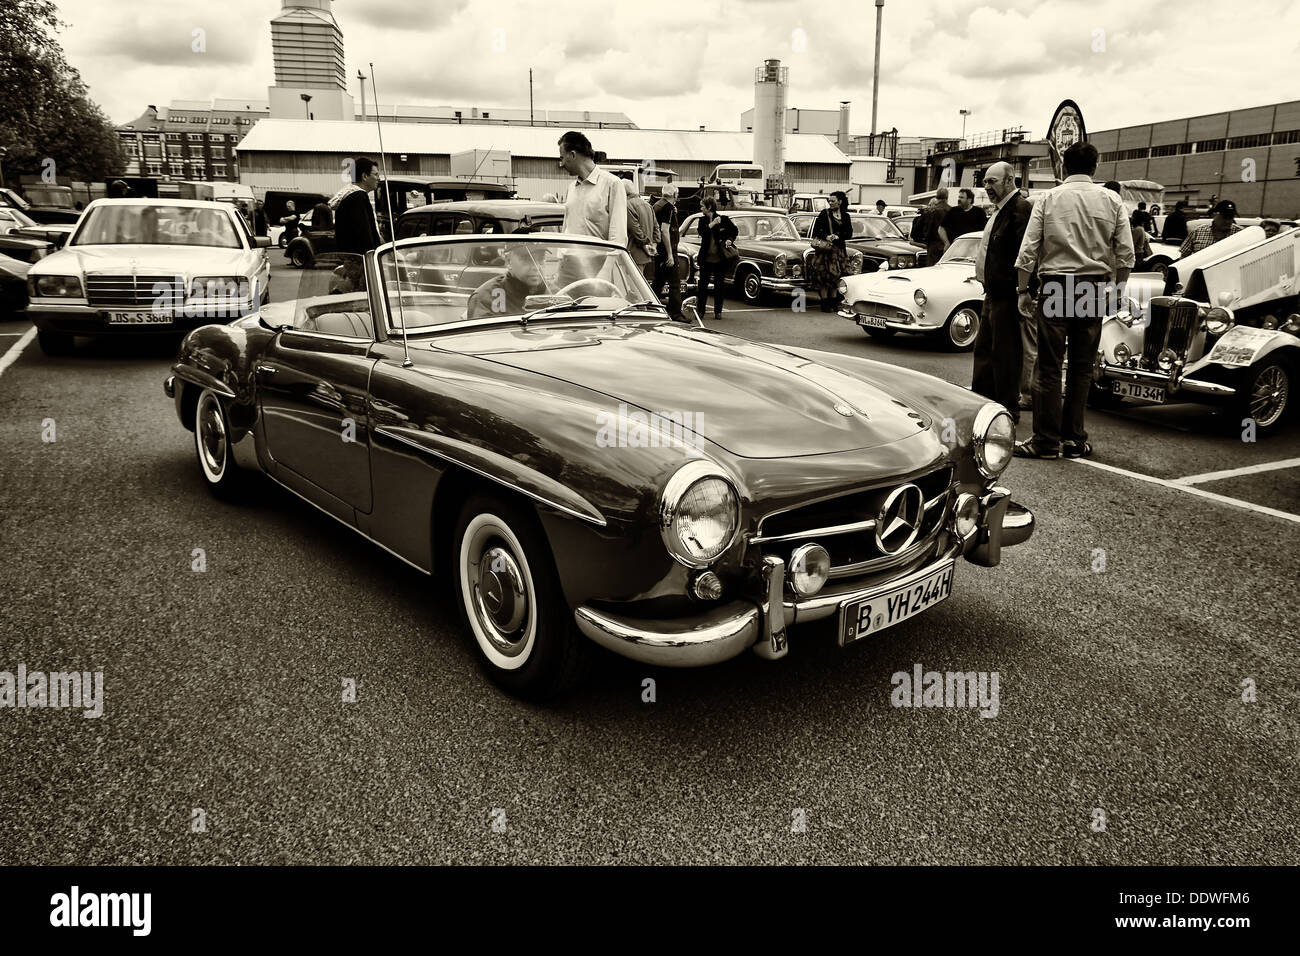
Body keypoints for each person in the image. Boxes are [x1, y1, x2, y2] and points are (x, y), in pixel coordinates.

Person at [1014, 141, 1134, 460]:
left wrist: (1023, 290)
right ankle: (1074, 438)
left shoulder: (1049, 198)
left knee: (1049, 366)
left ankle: (1046, 440)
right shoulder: (1111, 200)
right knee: (1082, 369)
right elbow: (1126, 254)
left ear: (1065, 166)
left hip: (1057, 285)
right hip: (1093, 287)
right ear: (1095, 168)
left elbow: (1028, 250)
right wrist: (1119, 291)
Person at [971, 162, 1035, 423]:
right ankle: (982, 402)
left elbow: (1026, 253)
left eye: (992, 182)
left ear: (1009, 180)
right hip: (994, 292)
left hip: (1007, 293)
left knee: (1005, 353)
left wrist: (1022, 289)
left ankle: (1007, 407)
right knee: (986, 350)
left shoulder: (1019, 209)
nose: (987, 187)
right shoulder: (1002, 209)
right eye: (985, 182)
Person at [557, 130, 626, 246]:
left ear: (573, 155)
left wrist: (607, 265)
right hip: (568, 262)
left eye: (562, 158)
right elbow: (566, 229)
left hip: (596, 264)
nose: (561, 164)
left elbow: (618, 238)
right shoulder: (571, 188)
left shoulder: (612, 184)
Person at [466, 245, 548, 319]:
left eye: (541, 259)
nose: (536, 267)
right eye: (527, 259)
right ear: (509, 262)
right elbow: (481, 334)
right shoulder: (486, 297)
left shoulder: (555, 293)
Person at [808, 190, 853, 312]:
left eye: (833, 201)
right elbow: (816, 231)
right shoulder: (824, 214)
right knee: (824, 278)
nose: (830, 203)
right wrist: (826, 236)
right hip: (826, 252)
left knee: (836, 278)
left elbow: (849, 233)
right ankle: (825, 304)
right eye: (829, 201)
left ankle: (833, 302)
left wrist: (838, 236)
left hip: (839, 251)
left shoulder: (846, 216)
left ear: (840, 202)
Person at [694, 195, 737, 319]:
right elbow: (702, 232)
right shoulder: (702, 221)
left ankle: (718, 311)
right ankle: (701, 310)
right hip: (706, 259)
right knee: (703, 286)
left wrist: (729, 239)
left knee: (719, 286)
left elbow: (734, 230)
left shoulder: (723, 219)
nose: (701, 208)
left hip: (720, 259)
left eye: (702, 206)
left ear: (709, 207)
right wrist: (712, 224)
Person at [331, 156, 382, 254]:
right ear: (364, 176)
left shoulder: (349, 196)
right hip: (361, 260)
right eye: (376, 174)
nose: (378, 178)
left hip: (351, 257)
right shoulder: (358, 197)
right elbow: (364, 234)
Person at [652, 183, 683, 319]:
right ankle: (675, 312)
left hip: (659, 249)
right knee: (675, 283)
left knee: (658, 281)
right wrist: (670, 254)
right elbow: (665, 230)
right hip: (667, 250)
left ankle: (651, 306)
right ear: (674, 195)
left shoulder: (657, 205)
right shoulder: (668, 207)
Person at [622, 179, 657, 281]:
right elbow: (656, 228)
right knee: (640, 283)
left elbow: (634, 228)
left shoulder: (627, 205)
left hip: (633, 252)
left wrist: (645, 244)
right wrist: (653, 245)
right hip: (646, 254)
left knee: (633, 285)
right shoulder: (648, 205)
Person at [923, 187, 951, 266]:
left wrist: (927, 240)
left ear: (936, 197)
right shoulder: (951, 210)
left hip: (934, 245)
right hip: (948, 246)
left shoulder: (932, 211)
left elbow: (928, 229)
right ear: (947, 197)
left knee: (932, 269)